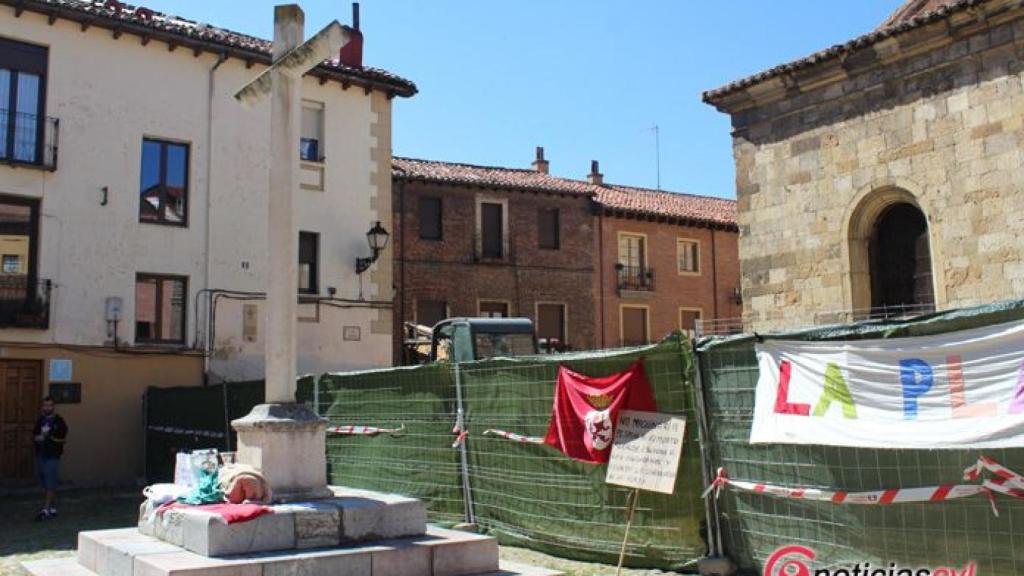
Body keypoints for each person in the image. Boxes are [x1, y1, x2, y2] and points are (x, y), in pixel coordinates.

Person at [32, 396, 68, 520]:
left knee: (50, 480)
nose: (47, 408)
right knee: (43, 479)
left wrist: (49, 436)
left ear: (53, 407)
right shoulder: (40, 421)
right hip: (41, 455)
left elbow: (62, 436)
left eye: (49, 405)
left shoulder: (59, 421)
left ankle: (46, 509)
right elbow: (35, 435)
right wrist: (38, 438)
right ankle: (52, 507)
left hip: (53, 455)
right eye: (45, 405)